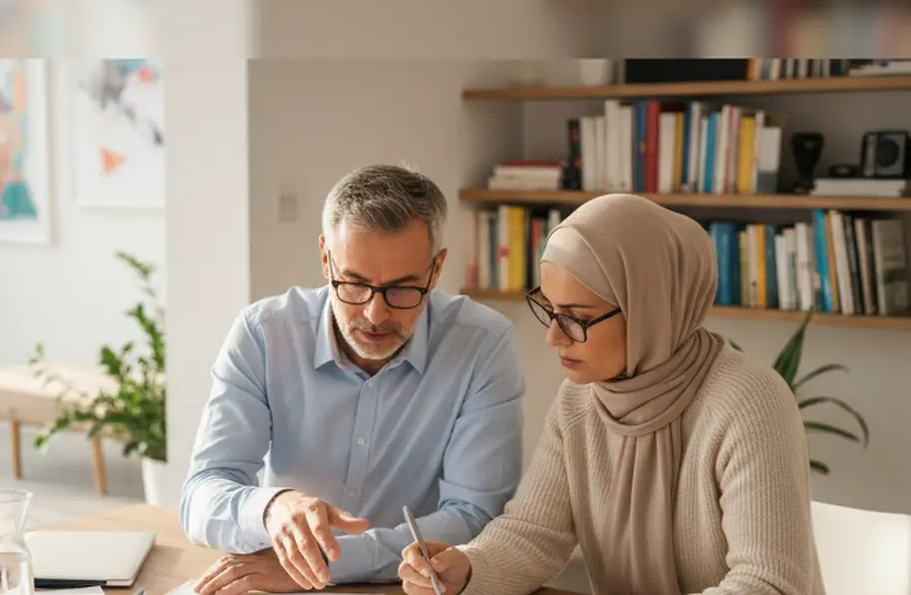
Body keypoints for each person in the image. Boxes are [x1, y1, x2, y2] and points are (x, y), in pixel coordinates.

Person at [399, 193, 824, 595]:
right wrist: (468, 567)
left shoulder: (749, 402)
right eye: (549, 309)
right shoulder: (579, 402)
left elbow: (766, 583)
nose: (553, 337)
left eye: (575, 318)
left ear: (647, 309)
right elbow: (534, 533)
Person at [179, 164, 527, 595]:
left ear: (436, 271)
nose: (375, 314)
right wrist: (270, 507)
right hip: (278, 580)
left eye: (402, 289)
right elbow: (201, 495)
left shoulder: (482, 346)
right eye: (355, 284)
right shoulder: (263, 334)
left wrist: (327, 562)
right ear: (326, 259)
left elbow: (476, 519)